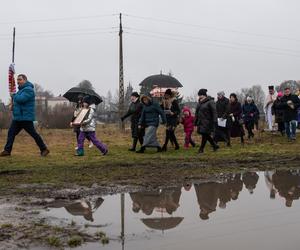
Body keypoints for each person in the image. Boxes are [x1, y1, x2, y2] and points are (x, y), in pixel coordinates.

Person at [0, 74, 49, 157]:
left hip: (26, 117)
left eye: (20, 79)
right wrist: (12, 106)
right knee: (11, 133)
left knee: (34, 134)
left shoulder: (29, 90)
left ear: (25, 80)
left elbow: (21, 99)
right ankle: (7, 151)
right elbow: (18, 102)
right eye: (17, 80)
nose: (18, 81)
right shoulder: (20, 91)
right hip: (18, 118)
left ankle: (44, 149)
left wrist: (13, 95)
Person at [194, 89, 219, 154]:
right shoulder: (199, 103)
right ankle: (214, 145)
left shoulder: (210, 101)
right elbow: (197, 113)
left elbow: (214, 112)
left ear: (204, 95)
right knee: (205, 135)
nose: (199, 96)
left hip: (208, 122)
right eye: (199, 95)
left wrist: (215, 121)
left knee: (205, 135)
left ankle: (201, 149)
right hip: (201, 122)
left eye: (200, 95)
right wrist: (195, 122)